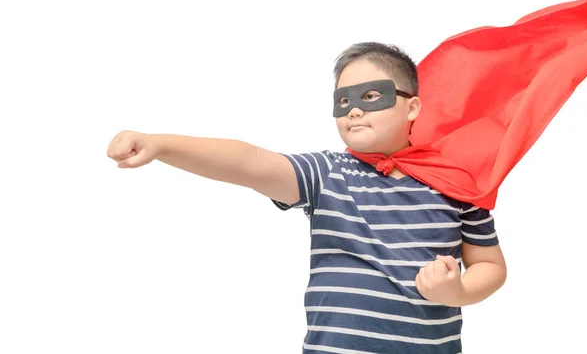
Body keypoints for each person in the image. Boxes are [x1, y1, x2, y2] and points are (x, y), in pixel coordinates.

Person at [107, 42, 507, 353]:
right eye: (344, 101)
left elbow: (489, 263)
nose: (353, 111)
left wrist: (458, 292)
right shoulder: (327, 173)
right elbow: (251, 162)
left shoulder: (456, 183)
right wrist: (160, 145)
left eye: (372, 97)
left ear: (412, 106)